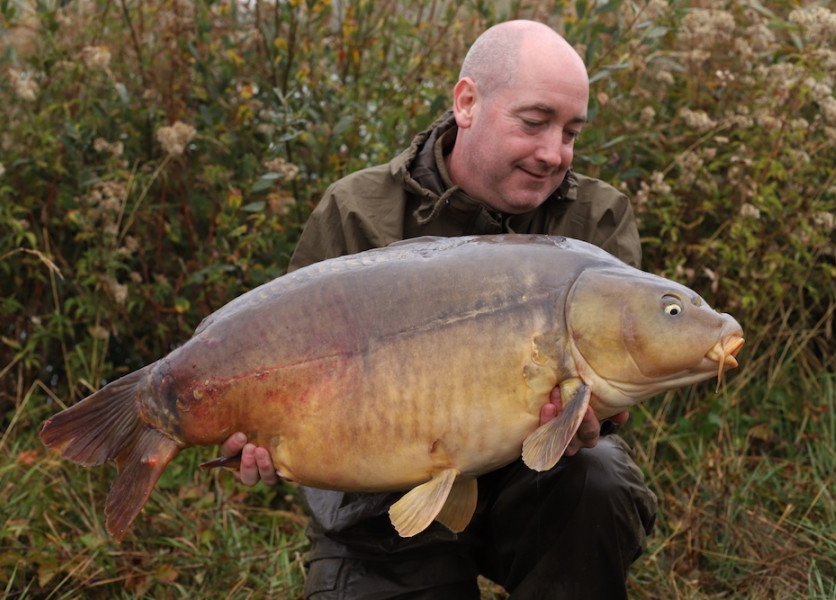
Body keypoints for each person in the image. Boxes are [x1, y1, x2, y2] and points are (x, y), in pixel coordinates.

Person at [221, 19, 657, 599]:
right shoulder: (356, 213)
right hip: (381, 505)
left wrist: (592, 416)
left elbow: (620, 384)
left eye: (571, 132)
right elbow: (284, 368)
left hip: (535, 487)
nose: (554, 154)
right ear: (468, 102)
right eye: (534, 123)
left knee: (596, 479)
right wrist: (259, 429)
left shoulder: (595, 220)